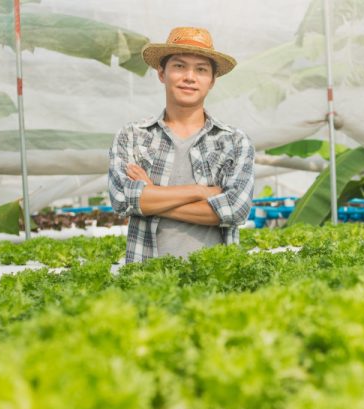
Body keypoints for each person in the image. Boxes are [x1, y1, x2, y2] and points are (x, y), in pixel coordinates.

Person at [108, 27, 255, 263]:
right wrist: (200, 191)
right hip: (148, 280)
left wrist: (151, 198)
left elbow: (234, 209)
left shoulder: (234, 141)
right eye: (179, 66)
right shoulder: (132, 136)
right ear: (161, 73)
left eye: (201, 69)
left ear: (212, 81)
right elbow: (123, 200)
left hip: (217, 279)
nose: (189, 77)